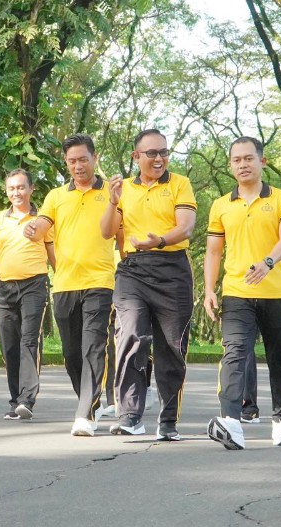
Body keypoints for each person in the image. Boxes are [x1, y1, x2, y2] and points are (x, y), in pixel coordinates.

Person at [100, 128, 197, 441]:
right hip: (133, 271)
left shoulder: (179, 183)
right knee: (131, 335)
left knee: (171, 347)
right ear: (136, 156)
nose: (159, 158)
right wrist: (113, 202)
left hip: (172, 269)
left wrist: (160, 241)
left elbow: (186, 227)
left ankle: (168, 420)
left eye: (163, 152)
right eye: (152, 153)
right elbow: (107, 232)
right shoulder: (124, 188)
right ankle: (129, 415)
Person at [204, 136, 281, 449]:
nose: (242, 165)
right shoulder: (221, 205)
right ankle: (231, 422)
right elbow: (214, 251)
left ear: (262, 162)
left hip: (277, 293)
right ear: (230, 165)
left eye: (248, 158)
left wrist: (268, 262)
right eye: (236, 160)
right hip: (236, 292)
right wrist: (209, 289)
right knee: (234, 352)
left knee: (279, 357)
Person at [24, 134, 118, 437]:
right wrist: (33, 228)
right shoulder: (55, 196)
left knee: (93, 347)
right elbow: (42, 225)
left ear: (95, 158)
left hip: (100, 282)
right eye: (72, 161)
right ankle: (90, 401)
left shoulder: (113, 192)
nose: (78, 166)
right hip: (64, 284)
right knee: (71, 353)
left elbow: (121, 231)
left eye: (83, 159)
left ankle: (85, 413)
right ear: (66, 162)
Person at [0, 169, 55, 420]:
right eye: (12, 188)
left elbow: (53, 254)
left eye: (21, 187)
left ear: (31, 189)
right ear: (7, 192)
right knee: (9, 345)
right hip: (4, 289)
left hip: (34, 286)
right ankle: (16, 401)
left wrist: (64, 278)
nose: (17, 192)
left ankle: (26, 400)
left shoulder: (43, 220)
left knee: (29, 341)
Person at [241, 256, 281, 424]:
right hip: (243, 298)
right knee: (242, 352)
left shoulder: (279, 243)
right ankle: (248, 408)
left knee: (279, 356)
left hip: (275, 299)